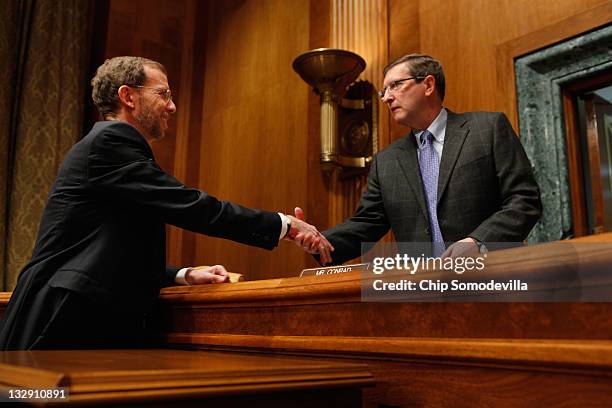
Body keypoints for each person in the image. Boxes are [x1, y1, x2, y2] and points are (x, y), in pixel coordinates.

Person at [0, 56, 332, 350]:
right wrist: (284, 225)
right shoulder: (110, 142)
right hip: (61, 320)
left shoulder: (112, 147)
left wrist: (185, 274)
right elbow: (195, 207)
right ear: (128, 96)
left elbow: (115, 252)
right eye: (163, 94)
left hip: (77, 319)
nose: (172, 107)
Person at [312, 54, 541, 265]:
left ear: (429, 85)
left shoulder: (487, 130)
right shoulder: (387, 162)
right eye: (384, 91)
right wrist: (317, 239)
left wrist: (478, 242)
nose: (387, 98)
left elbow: (524, 200)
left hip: (492, 280)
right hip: (423, 292)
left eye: (395, 85)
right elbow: (365, 225)